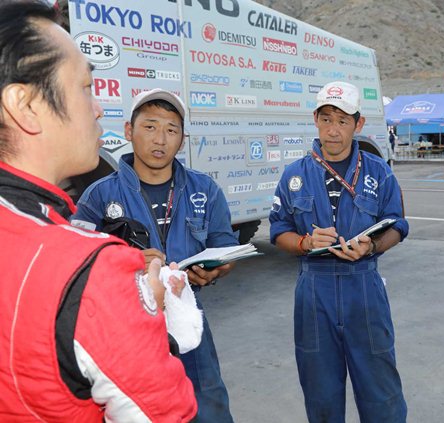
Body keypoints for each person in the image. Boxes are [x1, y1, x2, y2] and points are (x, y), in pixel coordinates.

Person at [0, 1, 196, 420]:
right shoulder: (91, 272)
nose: (98, 108)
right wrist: (147, 314)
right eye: (86, 88)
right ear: (25, 105)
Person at [73, 88, 238, 422]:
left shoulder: (204, 190)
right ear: (128, 131)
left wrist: (216, 269)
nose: (160, 139)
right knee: (138, 410)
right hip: (125, 326)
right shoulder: (99, 195)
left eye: (171, 129)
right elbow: (77, 265)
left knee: (209, 407)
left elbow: (225, 247)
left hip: (188, 315)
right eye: (149, 126)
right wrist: (131, 266)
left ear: (182, 139)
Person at [269, 81, 409, 423]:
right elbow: (277, 230)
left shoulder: (379, 172)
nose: (334, 130)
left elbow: (398, 225)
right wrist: (304, 243)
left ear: (358, 124)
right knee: (321, 394)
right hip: (314, 291)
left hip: (364, 287)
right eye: (327, 119)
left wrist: (372, 245)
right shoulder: (293, 175)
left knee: (381, 393)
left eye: (343, 121)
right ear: (315, 119)